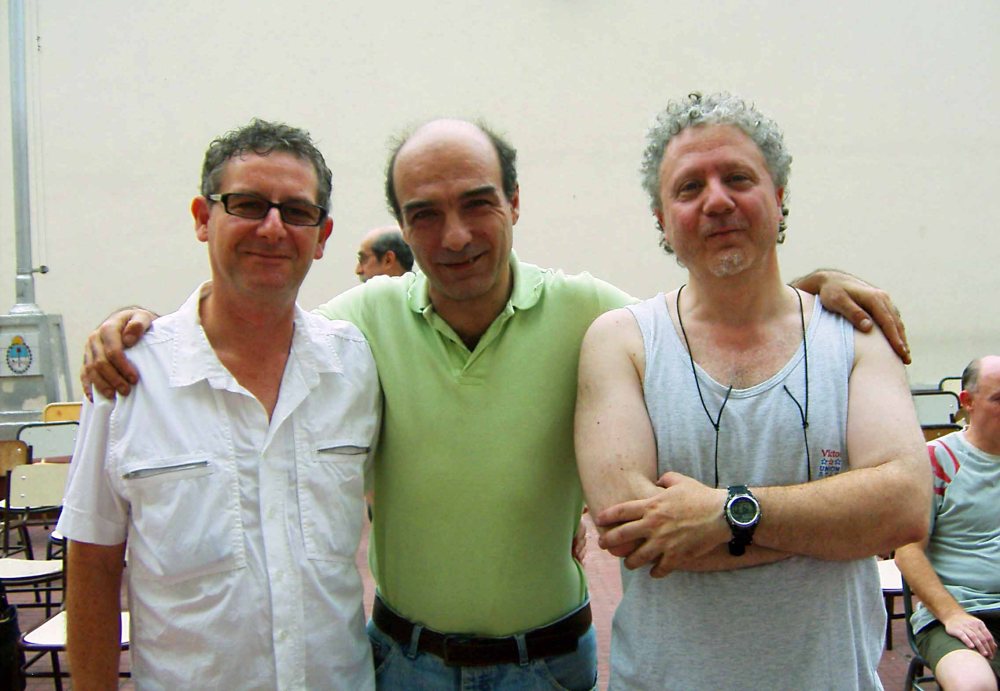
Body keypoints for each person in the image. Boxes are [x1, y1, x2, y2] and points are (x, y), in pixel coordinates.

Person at [81, 117, 911, 690]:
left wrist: (813, 288)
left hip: (548, 665)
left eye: (477, 202)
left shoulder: (593, 314)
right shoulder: (355, 330)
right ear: (401, 227)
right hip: (403, 666)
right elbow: (257, 325)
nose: (455, 235)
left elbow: (707, 310)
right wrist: (139, 328)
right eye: (425, 214)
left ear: (516, 201)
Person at [574, 92, 930, 689]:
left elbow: (903, 508)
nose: (717, 201)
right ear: (661, 220)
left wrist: (725, 516)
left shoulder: (856, 333)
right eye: (689, 188)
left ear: (779, 196)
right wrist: (832, 528)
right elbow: (636, 533)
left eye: (738, 178)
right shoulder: (621, 342)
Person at [58, 119, 381, 690]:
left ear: (322, 235)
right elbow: (92, 563)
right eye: (248, 204)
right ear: (202, 218)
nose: (273, 228)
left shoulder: (355, 365)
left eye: (296, 211)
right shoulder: (128, 378)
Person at [895, 356, 1000, 690]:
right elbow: (907, 552)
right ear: (967, 402)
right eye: (998, 399)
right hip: (956, 613)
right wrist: (952, 614)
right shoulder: (937, 459)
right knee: (974, 685)